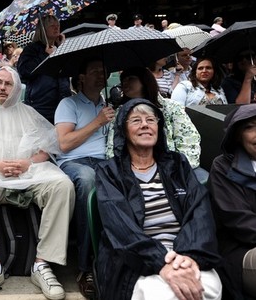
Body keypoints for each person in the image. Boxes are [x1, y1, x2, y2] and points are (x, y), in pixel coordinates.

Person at [0, 66, 75, 300]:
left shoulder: (29, 113)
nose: (2, 87)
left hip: (30, 174)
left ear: (17, 87)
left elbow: (46, 150)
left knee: (63, 185)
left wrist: (27, 163)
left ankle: (42, 264)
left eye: (8, 83)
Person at [95, 98, 222, 300]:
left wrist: (188, 257)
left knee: (208, 288)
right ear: (123, 130)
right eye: (136, 120)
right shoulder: (110, 171)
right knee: (162, 295)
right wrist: (161, 262)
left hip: (184, 254)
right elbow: (121, 228)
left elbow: (200, 213)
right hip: (135, 261)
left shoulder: (178, 163)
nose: (145, 124)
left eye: (151, 120)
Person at [54, 58, 115, 299]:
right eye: (94, 71)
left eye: (103, 71)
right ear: (81, 77)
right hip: (75, 162)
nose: (101, 76)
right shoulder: (68, 104)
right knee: (89, 182)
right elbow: (64, 144)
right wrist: (98, 121)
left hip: (105, 161)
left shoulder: (109, 105)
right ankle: (85, 266)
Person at [106, 66, 209, 183]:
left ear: (145, 81)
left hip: (175, 167)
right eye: (123, 79)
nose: (125, 83)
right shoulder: (120, 113)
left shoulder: (171, 107)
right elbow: (113, 147)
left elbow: (189, 140)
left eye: (131, 78)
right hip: (136, 171)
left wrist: (177, 168)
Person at [208, 104, 256, 299]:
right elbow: (241, 223)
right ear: (237, 135)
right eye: (250, 127)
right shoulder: (223, 167)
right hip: (241, 251)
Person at [17, 14, 71, 124]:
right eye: (52, 26)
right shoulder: (31, 49)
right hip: (40, 105)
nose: (56, 28)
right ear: (43, 29)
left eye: (58, 25)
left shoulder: (60, 47)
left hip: (62, 103)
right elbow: (24, 72)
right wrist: (45, 55)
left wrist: (62, 48)